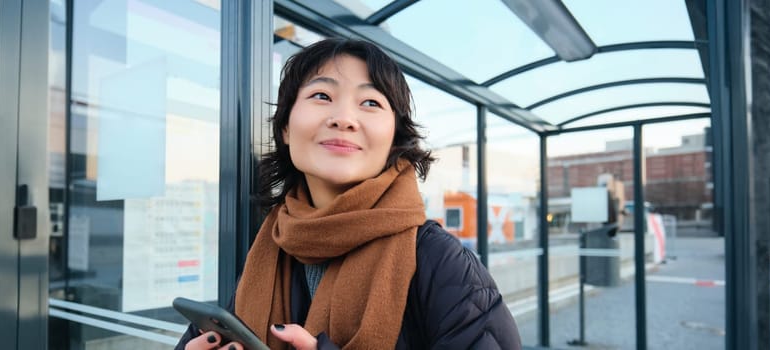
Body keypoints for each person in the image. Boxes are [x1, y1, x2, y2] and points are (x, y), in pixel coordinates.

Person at [177, 38, 521, 350]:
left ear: (395, 138)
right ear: (284, 128)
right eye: (322, 96)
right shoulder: (268, 247)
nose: (344, 118)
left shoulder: (440, 263)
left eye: (370, 102)